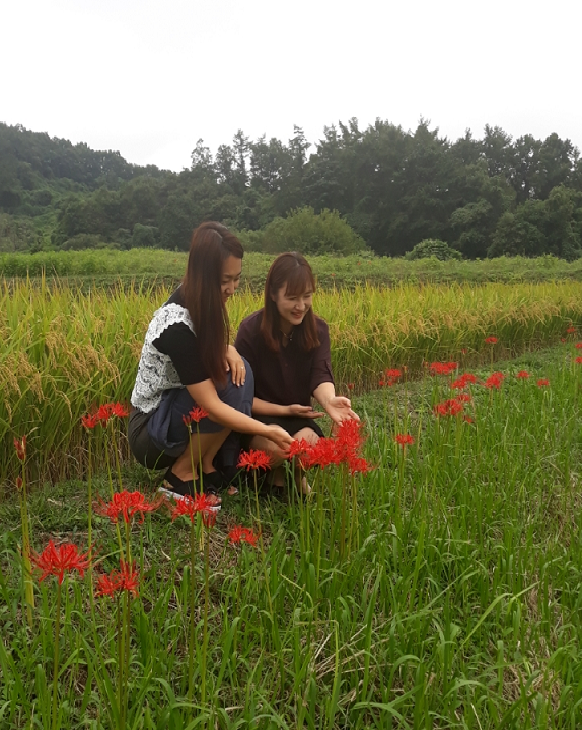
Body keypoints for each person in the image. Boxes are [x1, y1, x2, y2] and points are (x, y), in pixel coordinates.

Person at [128, 222, 294, 502]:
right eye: (224, 280)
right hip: (150, 430)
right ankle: (179, 474)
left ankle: (205, 466)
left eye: (236, 278)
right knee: (226, 383)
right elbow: (211, 406)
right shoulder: (175, 326)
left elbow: (206, 347)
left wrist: (226, 347)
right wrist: (266, 430)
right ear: (203, 276)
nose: (232, 288)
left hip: (175, 409)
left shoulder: (203, 297)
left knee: (241, 371)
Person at [234, 251, 359, 489]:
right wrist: (284, 409)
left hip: (298, 419)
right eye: (292, 298)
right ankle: (278, 476)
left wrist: (330, 401)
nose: (301, 306)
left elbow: (320, 375)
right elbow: (240, 397)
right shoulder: (251, 330)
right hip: (260, 419)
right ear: (273, 294)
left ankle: (282, 478)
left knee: (305, 448)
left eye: (307, 296)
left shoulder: (318, 330)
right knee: (281, 449)